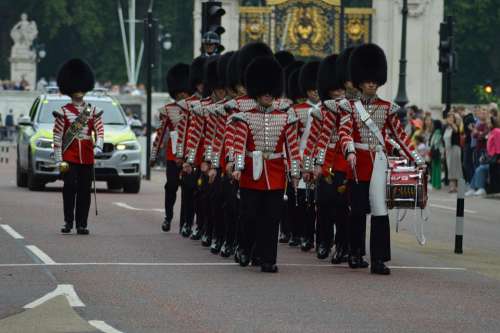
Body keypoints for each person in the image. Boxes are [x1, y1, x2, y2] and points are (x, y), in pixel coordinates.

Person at [338, 44, 425, 275]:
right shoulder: (349, 107)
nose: (371, 84)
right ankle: (355, 252)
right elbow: (344, 132)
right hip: (358, 164)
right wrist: (350, 151)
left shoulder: (387, 109)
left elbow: (401, 136)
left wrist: (417, 159)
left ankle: (379, 259)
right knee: (356, 210)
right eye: (367, 80)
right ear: (360, 81)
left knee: (380, 210)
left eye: (374, 80)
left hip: (378, 163)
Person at [231, 55, 301, 273]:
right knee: (249, 215)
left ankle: (267, 258)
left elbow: (293, 148)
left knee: (271, 219)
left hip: (277, 174)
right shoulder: (245, 117)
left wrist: (296, 173)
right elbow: (239, 145)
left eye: (270, 91)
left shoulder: (286, 118)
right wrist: (237, 167)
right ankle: (244, 247)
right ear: (256, 92)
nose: (268, 95)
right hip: (252, 173)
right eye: (264, 91)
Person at [52, 59, 104, 235]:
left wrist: (99, 145)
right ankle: (68, 221)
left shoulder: (92, 110)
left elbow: (100, 130)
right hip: (70, 156)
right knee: (69, 188)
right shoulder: (63, 111)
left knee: (84, 191)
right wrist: (59, 159)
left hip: (87, 156)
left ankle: (82, 223)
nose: (79, 91)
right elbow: (58, 137)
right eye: (76, 87)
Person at [150, 63, 191, 233]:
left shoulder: (195, 107)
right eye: (178, 92)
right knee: (171, 186)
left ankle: (185, 223)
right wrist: (153, 155)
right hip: (173, 155)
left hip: (190, 154)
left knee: (188, 190)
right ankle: (168, 217)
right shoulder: (168, 110)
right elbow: (160, 133)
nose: (181, 94)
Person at [466, 117, 500, 196]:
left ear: (494, 123)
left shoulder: (497, 131)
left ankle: (480, 188)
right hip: (489, 157)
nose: (487, 124)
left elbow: (498, 147)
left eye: (489, 122)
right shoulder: (491, 132)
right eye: (487, 123)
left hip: (495, 158)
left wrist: (498, 157)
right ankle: (473, 188)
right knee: (479, 167)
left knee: (480, 168)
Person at [443, 112, 463, 193]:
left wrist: (452, 124)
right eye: (449, 118)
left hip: (455, 149)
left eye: (452, 118)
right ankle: (453, 186)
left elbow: (456, 130)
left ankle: (458, 186)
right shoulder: (446, 128)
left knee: (456, 168)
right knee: (450, 168)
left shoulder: (455, 126)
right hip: (448, 150)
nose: (450, 119)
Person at [429, 120, 444, 190]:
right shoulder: (438, 132)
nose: (432, 126)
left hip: (436, 151)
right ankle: (435, 183)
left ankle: (436, 184)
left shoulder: (437, 132)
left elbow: (434, 142)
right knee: (436, 167)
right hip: (436, 151)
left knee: (436, 167)